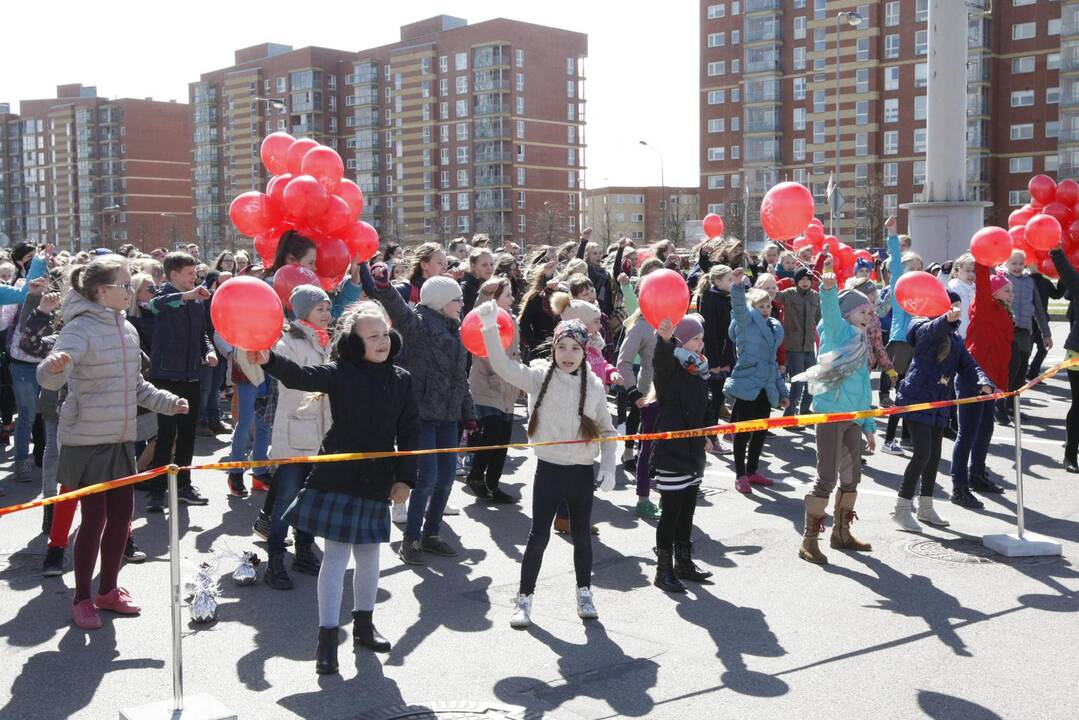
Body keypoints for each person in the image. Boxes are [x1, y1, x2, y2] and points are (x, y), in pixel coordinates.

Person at [37, 255, 186, 629]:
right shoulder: (80, 328)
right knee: (94, 520)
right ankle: (82, 598)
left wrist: (168, 402)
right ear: (100, 291)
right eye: (123, 284)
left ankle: (108, 590)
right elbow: (50, 377)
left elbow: (136, 387)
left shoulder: (127, 329)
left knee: (122, 519)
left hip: (121, 437)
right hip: (86, 440)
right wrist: (53, 368)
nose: (129, 289)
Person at [476, 302, 616, 628]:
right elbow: (502, 366)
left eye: (575, 348)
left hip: (581, 472)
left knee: (582, 537)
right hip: (549, 471)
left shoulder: (594, 385)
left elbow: (608, 430)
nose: (568, 354)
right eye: (561, 347)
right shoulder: (539, 376)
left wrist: (608, 466)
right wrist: (489, 329)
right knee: (538, 537)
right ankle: (524, 599)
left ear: (584, 351)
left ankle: (584, 593)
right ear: (553, 348)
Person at [363, 263, 476, 564]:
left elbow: (458, 377)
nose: (461, 304)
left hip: (448, 416)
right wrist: (384, 287)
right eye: (456, 299)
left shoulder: (456, 330)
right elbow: (398, 311)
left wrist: (469, 412)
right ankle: (410, 538)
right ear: (440, 302)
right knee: (426, 478)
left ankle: (432, 533)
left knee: (447, 477)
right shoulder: (419, 324)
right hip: (421, 415)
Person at [795, 264, 876, 565]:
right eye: (863, 312)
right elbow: (829, 309)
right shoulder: (837, 331)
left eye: (869, 312)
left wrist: (868, 423)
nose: (868, 316)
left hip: (853, 418)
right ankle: (809, 541)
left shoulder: (861, 341)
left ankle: (841, 533)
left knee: (852, 476)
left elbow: (866, 386)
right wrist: (828, 289)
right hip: (830, 416)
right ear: (847, 313)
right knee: (826, 477)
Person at [891, 293, 993, 531]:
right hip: (917, 398)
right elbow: (925, 333)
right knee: (922, 454)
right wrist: (945, 319)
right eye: (951, 307)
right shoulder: (921, 324)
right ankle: (902, 507)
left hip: (940, 402)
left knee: (934, 455)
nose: (956, 311)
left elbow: (968, 364)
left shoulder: (955, 338)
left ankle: (926, 506)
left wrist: (983, 381)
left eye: (958, 307)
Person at [261, 285, 333, 590]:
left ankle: (304, 549)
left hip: (323, 430)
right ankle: (275, 558)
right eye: (321, 309)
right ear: (304, 312)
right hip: (295, 429)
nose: (328, 315)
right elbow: (287, 377)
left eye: (329, 309)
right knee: (287, 499)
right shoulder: (287, 342)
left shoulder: (328, 341)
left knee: (313, 496)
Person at [143, 252, 216, 512]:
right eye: (189, 274)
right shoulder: (162, 295)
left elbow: (204, 334)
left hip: (192, 376)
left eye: (195, 273)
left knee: (187, 435)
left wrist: (208, 350)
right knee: (166, 435)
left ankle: (184, 485)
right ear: (173, 275)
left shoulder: (197, 301)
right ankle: (156, 490)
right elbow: (157, 306)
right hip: (166, 376)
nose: (194, 278)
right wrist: (188, 296)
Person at [650, 315, 714, 594]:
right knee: (671, 512)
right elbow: (660, 363)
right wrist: (664, 341)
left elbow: (705, 406)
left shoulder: (699, 369)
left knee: (687, 510)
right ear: (681, 341)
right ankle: (663, 569)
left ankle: (684, 562)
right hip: (672, 450)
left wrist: (708, 435)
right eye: (695, 339)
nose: (700, 344)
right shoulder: (672, 366)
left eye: (701, 339)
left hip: (693, 450)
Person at [952, 266, 1013, 507]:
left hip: (991, 382)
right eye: (1007, 290)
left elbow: (1002, 353)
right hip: (973, 379)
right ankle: (959, 487)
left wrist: (1001, 385)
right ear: (994, 293)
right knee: (966, 435)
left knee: (985, 429)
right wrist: (983, 260)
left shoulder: (1003, 312)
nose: (1011, 294)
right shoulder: (984, 307)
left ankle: (977, 475)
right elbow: (984, 285)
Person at [725, 270, 788, 493]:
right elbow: (739, 307)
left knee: (760, 432)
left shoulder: (774, 327)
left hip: (766, 386)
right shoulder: (745, 323)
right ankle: (740, 475)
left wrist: (783, 393)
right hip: (746, 384)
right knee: (742, 432)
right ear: (753, 307)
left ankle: (752, 471)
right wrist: (737, 286)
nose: (765, 309)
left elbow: (772, 363)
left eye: (768, 306)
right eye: (760, 305)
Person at [466, 278, 521, 503]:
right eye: (507, 295)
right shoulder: (487, 316)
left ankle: (493, 484)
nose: (513, 298)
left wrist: (520, 379)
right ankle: (476, 475)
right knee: (492, 428)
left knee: (504, 437)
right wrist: (486, 294)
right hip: (486, 382)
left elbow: (516, 353)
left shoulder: (512, 320)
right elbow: (480, 310)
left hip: (507, 385)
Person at [3, 246, 49, 483]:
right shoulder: (20, 288)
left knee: (51, 416)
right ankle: (21, 461)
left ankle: (50, 461)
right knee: (27, 415)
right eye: (30, 261)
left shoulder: (55, 290)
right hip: (22, 363)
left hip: (49, 362)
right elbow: (5, 321)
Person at [1001, 250, 1052, 425]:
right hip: (1008, 331)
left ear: (1026, 265)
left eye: (1020, 263)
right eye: (1013, 263)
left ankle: (1012, 407)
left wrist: (1046, 334)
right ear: (1006, 263)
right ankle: (1000, 407)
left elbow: (1038, 309)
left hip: (1026, 332)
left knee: (1022, 371)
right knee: (1011, 368)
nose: (1017, 267)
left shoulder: (1030, 281)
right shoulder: (1002, 278)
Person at [881, 218, 917, 455]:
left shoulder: (924, 295)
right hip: (900, 345)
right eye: (911, 268)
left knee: (911, 394)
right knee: (902, 394)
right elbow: (894, 266)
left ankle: (905, 438)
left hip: (917, 346)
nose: (916, 272)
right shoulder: (899, 291)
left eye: (919, 268)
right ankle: (888, 440)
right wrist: (893, 235)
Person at [696, 264, 736, 454]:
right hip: (715, 361)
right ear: (717, 281)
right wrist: (714, 364)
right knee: (714, 401)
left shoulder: (725, 298)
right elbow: (710, 334)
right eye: (729, 279)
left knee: (718, 400)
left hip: (726, 357)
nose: (732, 282)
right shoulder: (711, 299)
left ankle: (712, 438)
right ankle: (711, 440)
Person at [773, 267, 821, 419]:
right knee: (797, 382)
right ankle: (789, 415)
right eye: (802, 279)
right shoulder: (788, 294)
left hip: (809, 346)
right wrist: (770, 280)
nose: (805, 282)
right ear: (796, 281)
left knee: (812, 380)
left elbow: (820, 319)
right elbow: (773, 295)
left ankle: (805, 410)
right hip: (793, 347)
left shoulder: (815, 297)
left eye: (808, 279)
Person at [1048, 246, 1079, 473]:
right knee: (1078, 405)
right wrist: (1057, 252)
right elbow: (1068, 274)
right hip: (1077, 353)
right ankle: (1070, 454)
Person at [461, 248, 495, 316]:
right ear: (473, 266)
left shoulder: (488, 283)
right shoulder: (466, 288)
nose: (489, 268)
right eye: (484, 265)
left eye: (491, 264)